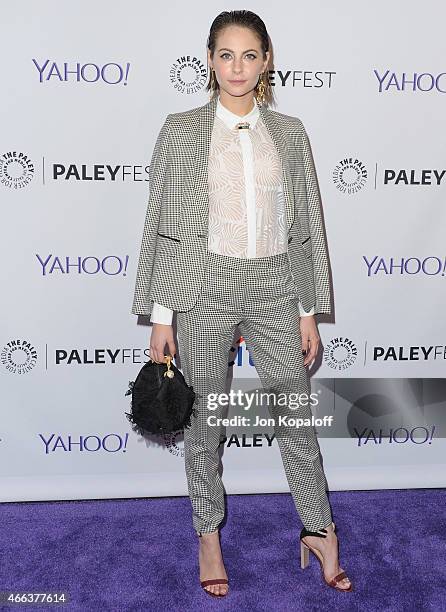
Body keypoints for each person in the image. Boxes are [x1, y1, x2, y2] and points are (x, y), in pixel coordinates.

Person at [131, 10, 352, 597]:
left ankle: (318, 528)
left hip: (276, 283)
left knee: (295, 415)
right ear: (209, 60)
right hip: (203, 285)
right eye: (226, 55)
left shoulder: (291, 133)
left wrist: (307, 308)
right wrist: (161, 315)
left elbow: (304, 225)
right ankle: (208, 533)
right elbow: (164, 225)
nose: (237, 68)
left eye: (249, 56)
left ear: (267, 60)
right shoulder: (181, 129)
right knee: (205, 420)